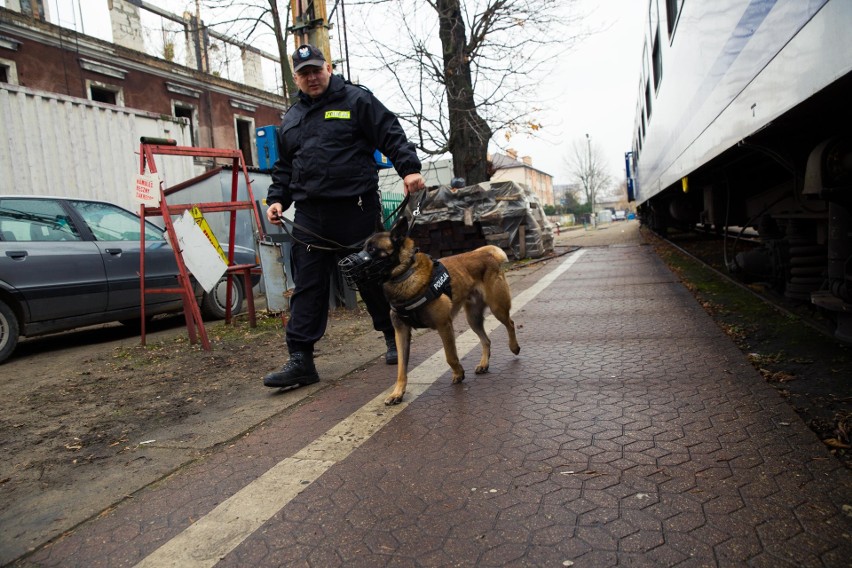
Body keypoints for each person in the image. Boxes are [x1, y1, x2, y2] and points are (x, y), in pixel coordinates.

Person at [263, 44, 426, 389]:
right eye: (304, 72)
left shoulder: (356, 100)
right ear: (295, 77)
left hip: (355, 209)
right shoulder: (291, 118)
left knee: (369, 277)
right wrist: (277, 198)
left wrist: (409, 169)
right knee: (307, 286)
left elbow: (390, 132)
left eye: (316, 69)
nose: (312, 77)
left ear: (329, 67)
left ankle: (392, 336)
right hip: (310, 216)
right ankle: (301, 359)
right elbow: (285, 166)